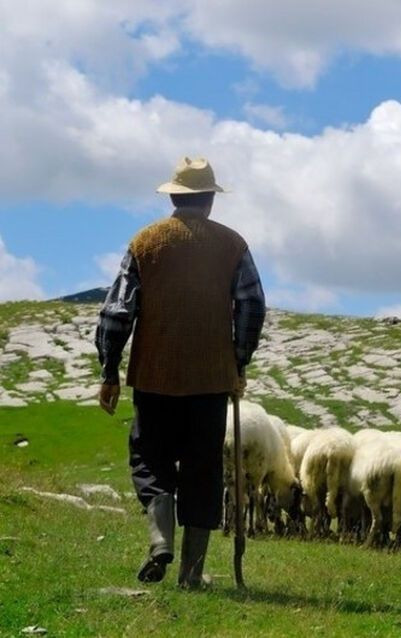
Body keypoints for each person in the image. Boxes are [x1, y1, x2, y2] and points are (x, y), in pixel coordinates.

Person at [94, 157, 266, 589]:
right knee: (202, 469)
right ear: (209, 200)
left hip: (154, 377)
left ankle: (159, 541)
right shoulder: (232, 246)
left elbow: (117, 311)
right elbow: (252, 305)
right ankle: (191, 574)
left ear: (173, 196)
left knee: (149, 461)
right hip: (210, 380)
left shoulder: (145, 243)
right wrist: (237, 362)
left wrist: (110, 371)